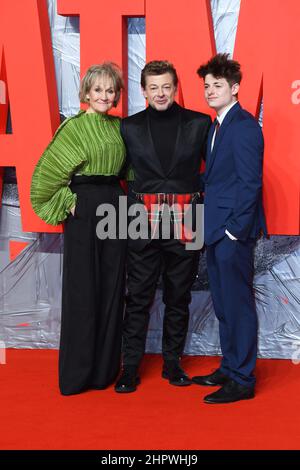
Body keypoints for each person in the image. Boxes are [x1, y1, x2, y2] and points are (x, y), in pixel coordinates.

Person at [115, 60, 211, 393]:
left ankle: (172, 365)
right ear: (143, 90)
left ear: (176, 87)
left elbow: (213, 173)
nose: (160, 93)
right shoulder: (128, 127)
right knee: (138, 297)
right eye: (153, 87)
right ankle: (129, 369)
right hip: (143, 217)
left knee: (178, 297)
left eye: (166, 86)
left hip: (186, 217)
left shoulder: (200, 124)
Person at [31, 63, 127, 395]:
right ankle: (77, 375)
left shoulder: (120, 128)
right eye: (98, 89)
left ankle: (103, 372)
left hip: (116, 208)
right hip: (85, 209)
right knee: (83, 290)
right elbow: (45, 179)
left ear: (117, 95)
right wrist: (74, 205)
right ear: (86, 93)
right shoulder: (73, 128)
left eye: (110, 90)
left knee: (113, 288)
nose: (104, 95)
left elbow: (134, 171)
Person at [193, 53, 267, 404]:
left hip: (231, 233)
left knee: (237, 304)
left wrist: (235, 231)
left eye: (217, 85)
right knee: (223, 303)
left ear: (235, 88)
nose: (209, 91)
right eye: (206, 86)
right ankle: (230, 366)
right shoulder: (217, 125)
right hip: (215, 228)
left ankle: (242, 379)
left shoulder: (244, 125)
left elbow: (250, 183)